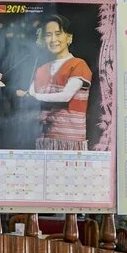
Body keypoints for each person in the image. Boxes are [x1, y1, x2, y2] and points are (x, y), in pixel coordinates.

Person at [16, 14, 92, 151]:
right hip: (45, 141)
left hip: (70, 144)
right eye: (48, 35)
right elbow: (30, 96)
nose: (53, 39)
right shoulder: (41, 70)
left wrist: (32, 96)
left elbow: (65, 97)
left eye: (58, 34)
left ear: (69, 38)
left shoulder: (78, 64)